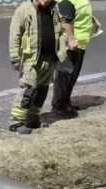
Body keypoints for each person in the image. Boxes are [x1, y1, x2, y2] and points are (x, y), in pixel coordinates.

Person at [9, 0, 69, 135]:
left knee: (42, 89)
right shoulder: (24, 10)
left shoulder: (54, 9)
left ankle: (33, 118)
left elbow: (60, 30)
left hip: (50, 58)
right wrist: (15, 58)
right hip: (32, 59)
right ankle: (17, 121)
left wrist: (63, 47)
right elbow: (15, 34)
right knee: (28, 89)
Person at [51, 0, 97, 118]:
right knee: (64, 77)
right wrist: (71, 39)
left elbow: (81, 15)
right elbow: (66, 23)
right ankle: (59, 107)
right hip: (70, 46)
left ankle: (66, 103)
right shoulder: (67, 2)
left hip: (80, 45)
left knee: (72, 77)